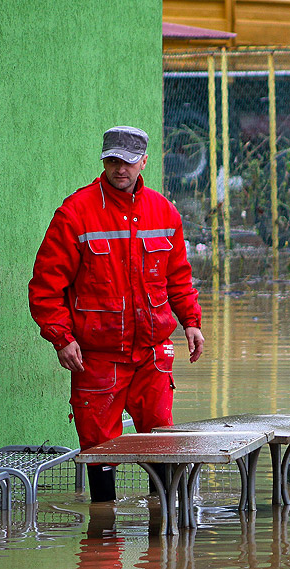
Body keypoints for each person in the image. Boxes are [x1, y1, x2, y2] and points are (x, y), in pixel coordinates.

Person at [29, 125, 205, 503]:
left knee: (160, 440)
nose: (119, 168)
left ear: (143, 161)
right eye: (111, 160)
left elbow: (177, 276)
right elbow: (45, 285)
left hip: (152, 355)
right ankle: (103, 531)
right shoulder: (75, 214)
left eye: (126, 161)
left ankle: (164, 525)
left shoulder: (164, 212)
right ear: (104, 160)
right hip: (96, 357)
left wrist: (191, 322)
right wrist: (61, 338)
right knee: (99, 448)